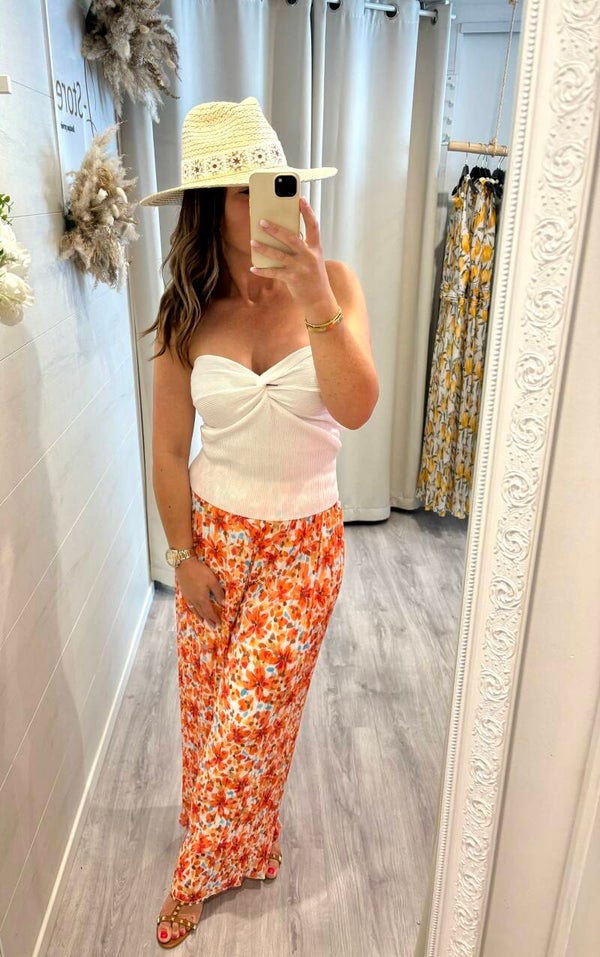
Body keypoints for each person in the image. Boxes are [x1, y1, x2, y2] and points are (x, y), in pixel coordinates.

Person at [139, 96, 379, 949]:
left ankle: (193, 875)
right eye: (245, 190)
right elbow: (168, 449)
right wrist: (181, 555)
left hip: (303, 550)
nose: (268, 198)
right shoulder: (188, 311)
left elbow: (356, 408)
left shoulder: (334, 282)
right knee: (213, 715)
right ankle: (244, 840)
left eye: (275, 181)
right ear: (211, 207)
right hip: (214, 538)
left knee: (251, 716)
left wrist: (314, 294)